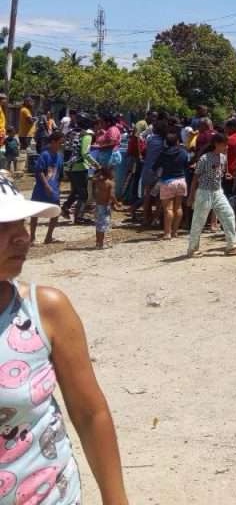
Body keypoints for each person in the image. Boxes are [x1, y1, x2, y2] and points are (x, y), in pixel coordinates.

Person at [0, 173, 129, 504]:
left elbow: (90, 414)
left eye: (22, 223)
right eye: (2, 227)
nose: (22, 237)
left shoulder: (44, 311)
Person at [187, 133, 236, 258]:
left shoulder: (222, 157)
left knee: (228, 214)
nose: (226, 147)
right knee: (199, 220)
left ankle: (232, 245)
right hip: (204, 192)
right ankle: (192, 248)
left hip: (218, 191)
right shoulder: (204, 158)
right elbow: (196, 177)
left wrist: (226, 176)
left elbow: (220, 173)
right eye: (224, 145)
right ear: (217, 144)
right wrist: (191, 195)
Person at [62, 115, 98, 226]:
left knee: (76, 191)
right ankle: (79, 217)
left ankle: (66, 207)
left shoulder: (70, 133)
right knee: (83, 194)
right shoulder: (86, 136)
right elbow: (85, 153)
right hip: (79, 167)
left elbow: (65, 149)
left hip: (68, 166)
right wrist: (96, 165)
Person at [154, 131, 190, 240]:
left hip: (167, 182)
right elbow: (186, 165)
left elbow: (155, 167)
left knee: (168, 209)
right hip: (181, 181)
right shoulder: (183, 152)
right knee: (178, 207)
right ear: (178, 142)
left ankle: (167, 233)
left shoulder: (163, 153)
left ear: (166, 142)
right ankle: (175, 232)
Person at [30, 131, 64, 245]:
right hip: (41, 188)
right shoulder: (45, 155)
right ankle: (32, 237)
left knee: (56, 212)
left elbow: (59, 174)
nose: (61, 145)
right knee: (35, 213)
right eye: (60, 143)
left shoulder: (59, 157)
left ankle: (48, 237)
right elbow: (39, 171)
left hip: (54, 188)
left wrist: (57, 187)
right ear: (53, 142)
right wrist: (46, 185)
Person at [93, 165, 114, 249]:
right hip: (105, 206)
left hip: (98, 205)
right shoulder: (109, 183)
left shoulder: (97, 182)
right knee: (104, 225)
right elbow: (111, 196)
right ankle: (102, 243)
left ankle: (98, 243)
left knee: (98, 225)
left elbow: (92, 178)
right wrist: (116, 203)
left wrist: (98, 174)